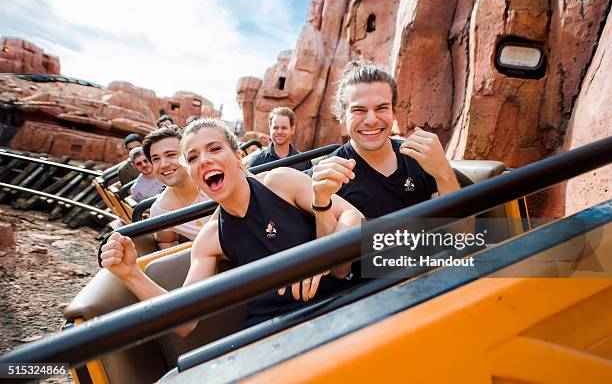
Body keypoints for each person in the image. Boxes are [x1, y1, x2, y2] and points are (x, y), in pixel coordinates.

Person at [100, 118, 363, 334]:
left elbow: (353, 216)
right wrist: (130, 274)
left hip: (337, 305)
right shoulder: (210, 238)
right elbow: (184, 323)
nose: (203, 160)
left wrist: (319, 257)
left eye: (214, 149)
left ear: (238, 157)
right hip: (273, 329)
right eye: (192, 158)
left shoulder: (281, 183)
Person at [312, 60, 460, 220]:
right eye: (359, 110)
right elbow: (329, 242)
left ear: (394, 112)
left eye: (381, 108)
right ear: (342, 117)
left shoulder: (417, 158)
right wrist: (321, 202)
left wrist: (444, 172)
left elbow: (461, 235)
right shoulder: (330, 173)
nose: (371, 120)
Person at [142, 125, 210, 247]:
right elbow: (166, 241)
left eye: (171, 155)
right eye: (156, 159)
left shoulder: (216, 180)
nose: (163, 164)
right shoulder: (161, 209)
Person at [247, 107, 312, 171]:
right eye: (275, 128)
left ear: (292, 130)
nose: (279, 132)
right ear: (270, 129)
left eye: (284, 128)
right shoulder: (256, 162)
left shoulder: (304, 161)